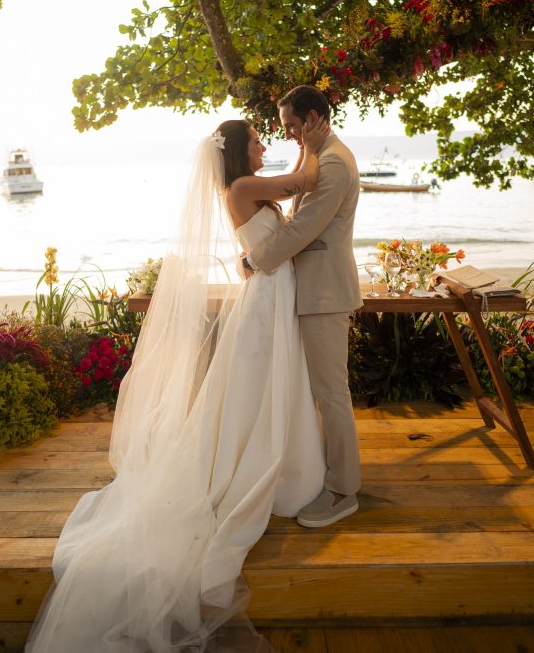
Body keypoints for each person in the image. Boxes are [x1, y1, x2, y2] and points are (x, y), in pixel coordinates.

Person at [24, 115, 329, 653]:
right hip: (266, 307)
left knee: (264, 391)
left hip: (272, 301)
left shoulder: (242, 188)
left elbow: (277, 216)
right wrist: (310, 142)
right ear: (237, 151)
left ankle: (272, 459)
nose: (264, 147)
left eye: (266, 140)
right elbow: (301, 182)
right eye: (258, 141)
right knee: (256, 392)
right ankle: (254, 466)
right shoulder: (241, 186)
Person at [244, 85, 362, 529]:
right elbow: (299, 211)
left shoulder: (332, 162)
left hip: (324, 292)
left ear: (312, 118)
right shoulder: (323, 155)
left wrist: (252, 259)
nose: (288, 133)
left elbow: (303, 229)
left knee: (332, 394)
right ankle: (326, 475)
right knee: (324, 394)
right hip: (312, 290)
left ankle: (343, 491)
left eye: (293, 125)